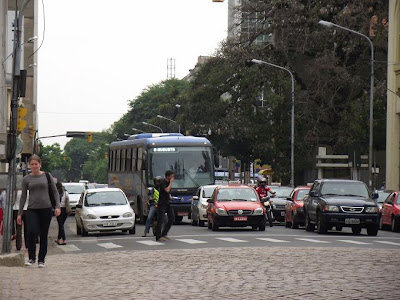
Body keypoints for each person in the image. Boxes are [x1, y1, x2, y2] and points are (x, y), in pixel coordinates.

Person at [17, 154, 61, 268]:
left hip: (46, 209)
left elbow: (55, 192)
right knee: (31, 232)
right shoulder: (27, 179)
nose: (34, 166)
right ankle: (31, 258)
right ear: (29, 165)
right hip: (32, 209)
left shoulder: (47, 176)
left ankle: (41, 260)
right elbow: (23, 197)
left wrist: (57, 206)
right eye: (32, 164)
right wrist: (20, 213)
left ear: (40, 164)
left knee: (43, 234)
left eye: (36, 164)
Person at [155, 170, 175, 241]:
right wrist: (171, 183)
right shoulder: (163, 182)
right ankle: (158, 236)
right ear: (168, 176)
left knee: (172, 218)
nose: (173, 178)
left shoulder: (168, 183)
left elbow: (167, 192)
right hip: (162, 203)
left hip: (167, 203)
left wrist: (170, 196)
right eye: (171, 176)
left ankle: (164, 233)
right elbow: (167, 189)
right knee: (160, 220)